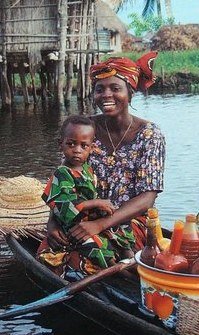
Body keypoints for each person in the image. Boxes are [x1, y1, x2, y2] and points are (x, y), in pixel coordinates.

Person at [38, 52, 165, 275]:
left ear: (129, 92)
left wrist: (100, 225)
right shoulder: (84, 131)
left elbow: (147, 198)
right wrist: (53, 223)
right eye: (100, 89)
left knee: (82, 260)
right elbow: (65, 181)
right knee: (51, 256)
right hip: (82, 218)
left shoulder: (149, 135)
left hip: (128, 222)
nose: (107, 95)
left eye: (115, 88)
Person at [40, 115, 136, 273]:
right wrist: (97, 203)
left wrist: (102, 210)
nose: (77, 150)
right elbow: (64, 205)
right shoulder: (62, 173)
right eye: (71, 144)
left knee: (123, 222)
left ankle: (128, 253)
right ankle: (115, 269)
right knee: (91, 244)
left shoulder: (87, 169)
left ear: (91, 148)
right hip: (72, 225)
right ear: (61, 144)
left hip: (90, 218)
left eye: (83, 146)